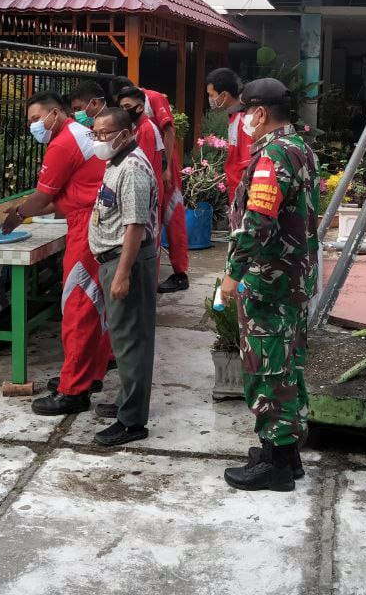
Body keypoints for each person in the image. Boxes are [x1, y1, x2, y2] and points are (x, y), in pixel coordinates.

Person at [219, 78, 319, 492]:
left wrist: (233, 273)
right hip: (293, 277)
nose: (242, 120)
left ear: (259, 113)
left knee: (267, 367)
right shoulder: (300, 148)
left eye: (245, 112)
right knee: (287, 363)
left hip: (269, 281)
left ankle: (275, 465)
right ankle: (285, 455)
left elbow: (259, 220)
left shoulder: (273, 155)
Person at [1, 93, 110, 415]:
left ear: (55, 114)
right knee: (94, 304)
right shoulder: (79, 133)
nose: (33, 126)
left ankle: (73, 390)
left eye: (36, 119)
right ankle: (89, 375)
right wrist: (27, 209)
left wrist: (17, 215)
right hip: (95, 219)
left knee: (77, 304)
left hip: (88, 226)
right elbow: (64, 194)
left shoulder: (63, 143)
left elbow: (43, 196)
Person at [87, 107, 159, 447]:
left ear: (126, 134)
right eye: (95, 133)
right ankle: (125, 402)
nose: (98, 140)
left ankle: (132, 422)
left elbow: (135, 225)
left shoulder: (132, 168)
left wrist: (122, 273)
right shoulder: (116, 162)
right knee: (123, 337)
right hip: (113, 258)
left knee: (132, 341)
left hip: (126, 259)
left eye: (105, 134)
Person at [112, 76, 189, 293]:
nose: (123, 109)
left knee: (172, 218)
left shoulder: (152, 100)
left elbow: (169, 131)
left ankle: (180, 273)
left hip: (164, 167)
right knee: (154, 222)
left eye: (125, 105)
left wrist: (166, 167)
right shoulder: (138, 121)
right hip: (153, 168)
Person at [206, 67, 252, 228]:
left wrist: (242, 202)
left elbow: (248, 164)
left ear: (224, 95)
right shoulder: (234, 117)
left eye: (212, 95)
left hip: (243, 196)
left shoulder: (243, 120)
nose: (211, 99)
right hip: (235, 193)